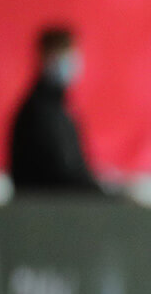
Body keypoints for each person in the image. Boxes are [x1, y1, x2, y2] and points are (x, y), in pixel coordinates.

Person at [8, 25, 103, 194]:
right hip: (44, 213)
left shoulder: (61, 110)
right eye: (62, 54)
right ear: (44, 58)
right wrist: (102, 195)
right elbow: (62, 173)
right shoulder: (38, 112)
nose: (71, 62)